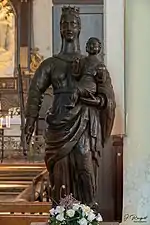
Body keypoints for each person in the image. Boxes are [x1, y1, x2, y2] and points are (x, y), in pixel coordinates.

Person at [25, 6, 116, 214]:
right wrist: (30, 121)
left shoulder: (91, 62)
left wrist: (100, 101)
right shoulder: (50, 64)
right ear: (59, 27)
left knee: (85, 165)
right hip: (59, 123)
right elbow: (35, 91)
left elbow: (106, 93)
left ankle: (88, 212)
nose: (68, 27)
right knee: (59, 170)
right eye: (64, 23)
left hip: (83, 119)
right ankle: (62, 213)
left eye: (73, 23)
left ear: (79, 27)